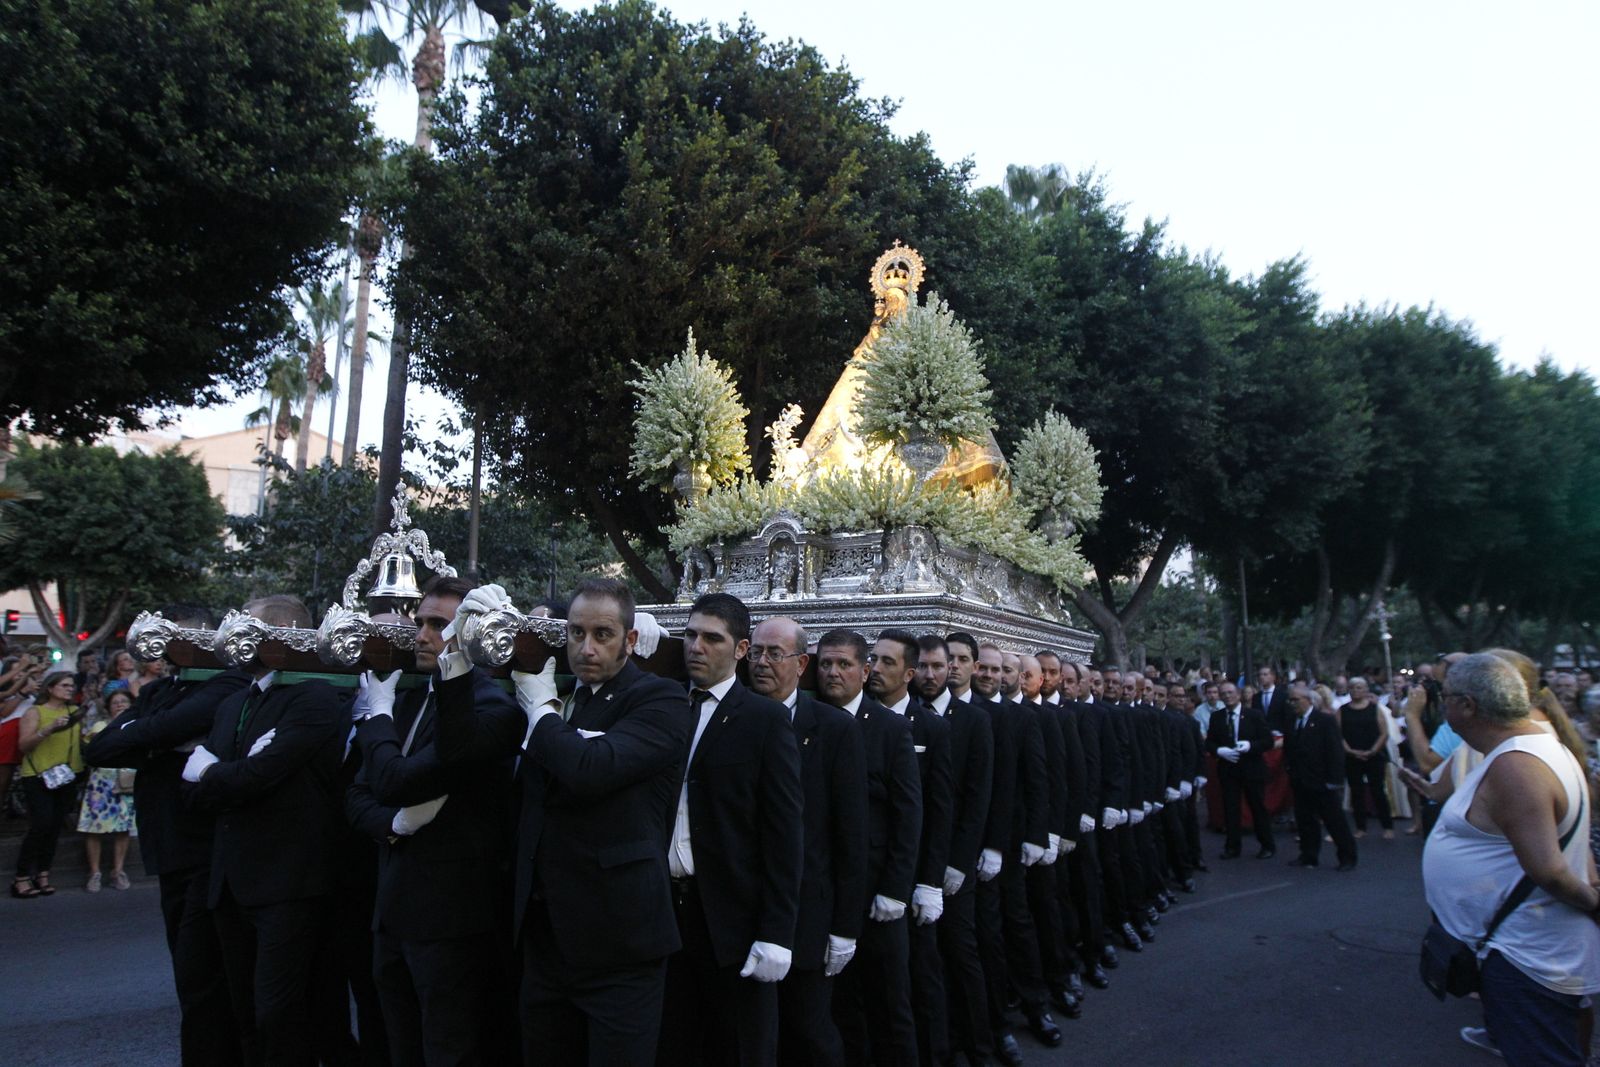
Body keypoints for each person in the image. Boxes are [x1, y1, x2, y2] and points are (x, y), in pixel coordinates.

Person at [440, 577, 692, 1066]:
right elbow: (458, 751)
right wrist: (457, 658)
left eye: (603, 635)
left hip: (620, 946)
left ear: (631, 640)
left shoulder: (658, 700)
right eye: (577, 633)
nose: (587, 648)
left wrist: (542, 711)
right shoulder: (552, 690)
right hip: (545, 938)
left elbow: (589, 770)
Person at [344, 575, 521, 1067]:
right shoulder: (408, 698)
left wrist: (376, 721)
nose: (421, 634)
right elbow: (359, 793)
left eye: (438, 624)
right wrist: (393, 825)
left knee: (449, 1050)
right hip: (392, 911)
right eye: (421, 621)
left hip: (452, 920)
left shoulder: (493, 708)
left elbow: (399, 781)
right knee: (400, 1047)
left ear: (470, 631)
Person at [183, 594, 352, 1066]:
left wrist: (214, 771)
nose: (235, 636)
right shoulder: (233, 700)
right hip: (230, 884)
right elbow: (193, 793)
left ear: (280, 634)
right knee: (244, 1013)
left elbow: (259, 777)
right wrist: (227, 774)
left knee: (279, 1013)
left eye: (248, 627)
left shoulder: (314, 696)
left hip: (287, 883)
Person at [83, 622, 252, 1067]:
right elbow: (101, 749)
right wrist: (160, 738)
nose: (166, 648)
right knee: (191, 978)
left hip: (206, 852)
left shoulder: (229, 682)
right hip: (170, 854)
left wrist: (153, 736)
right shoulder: (161, 691)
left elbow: (158, 731)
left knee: (206, 982)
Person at [1421, 653, 1600, 1067]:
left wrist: (1594, 903)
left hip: (1525, 954)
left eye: (1444, 696)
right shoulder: (1526, 749)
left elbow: (1551, 871)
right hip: (1519, 947)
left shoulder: (1517, 766)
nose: (1440, 705)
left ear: (1467, 705)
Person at [658, 593, 804, 1067]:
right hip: (663, 912)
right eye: (691, 634)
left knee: (740, 1047)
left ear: (741, 649)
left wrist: (776, 933)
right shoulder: (663, 704)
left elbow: (783, 833)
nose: (696, 646)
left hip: (733, 921)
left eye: (712, 638)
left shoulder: (764, 721)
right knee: (674, 1043)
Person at [748, 616, 867, 1067]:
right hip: (744, 909)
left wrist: (844, 928)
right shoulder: (733, 717)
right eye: (756, 652)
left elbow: (850, 835)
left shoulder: (834, 729)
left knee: (810, 1030)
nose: (762, 662)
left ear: (801, 664)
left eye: (774, 654)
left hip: (810, 915)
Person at [817, 627, 922, 1067]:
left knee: (889, 1005)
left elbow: (907, 814)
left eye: (844, 665)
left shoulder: (890, 729)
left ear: (864, 671)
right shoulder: (808, 720)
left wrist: (896, 889)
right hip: (826, 888)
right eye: (825, 664)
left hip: (878, 891)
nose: (834, 673)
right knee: (839, 1008)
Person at [928, 632, 997, 1065]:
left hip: (957, 857)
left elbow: (979, 796)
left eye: (958, 660)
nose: (950, 667)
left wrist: (961, 861)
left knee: (962, 950)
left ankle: (980, 1044)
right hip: (919, 858)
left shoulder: (975, 721)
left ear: (972, 665)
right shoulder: (912, 713)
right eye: (943, 659)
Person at [13, 671, 85, 897]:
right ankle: (21, 877)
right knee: (40, 824)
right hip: (38, 776)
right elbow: (24, 745)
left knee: (54, 827)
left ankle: (43, 873)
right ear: (50, 688)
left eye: (71, 686)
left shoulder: (74, 712)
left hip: (66, 776)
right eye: (64, 685)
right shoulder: (36, 712)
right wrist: (48, 729)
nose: (69, 689)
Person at [1283, 684, 1357, 870]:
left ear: (1309, 700)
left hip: (1322, 781)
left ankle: (1347, 857)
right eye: (1290, 700)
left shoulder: (1325, 720)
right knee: (1305, 821)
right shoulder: (1292, 720)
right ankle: (1308, 855)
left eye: (1296, 700)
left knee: (1334, 821)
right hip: (1300, 780)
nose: (1292, 704)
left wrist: (1335, 780)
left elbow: (1335, 751)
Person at [77, 687, 138, 891]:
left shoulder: (137, 725)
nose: (120, 704)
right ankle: (94, 872)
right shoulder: (101, 726)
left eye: (124, 701)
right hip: (102, 781)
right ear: (109, 708)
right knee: (94, 827)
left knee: (123, 826)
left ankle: (118, 870)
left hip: (126, 780)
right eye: (115, 702)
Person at [1205, 682, 1275, 859]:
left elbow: (1268, 741)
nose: (1227, 696)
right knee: (1230, 808)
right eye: (1223, 693)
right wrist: (1219, 751)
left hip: (1252, 767)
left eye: (1230, 692)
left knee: (1257, 807)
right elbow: (1210, 742)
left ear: (1238, 694)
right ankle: (1232, 847)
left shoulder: (1254, 715)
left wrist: (1251, 746)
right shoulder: (1217, 717)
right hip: (1228, 769)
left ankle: (1267, 845)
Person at [1340, 678, 1393, 839]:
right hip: (1351, 756)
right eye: (1352, 687)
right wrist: (1350, 750)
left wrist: (1372, 751)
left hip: (1374, 756)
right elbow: (1338, 733)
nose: (1356, 690)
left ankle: (1387, 826)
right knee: (1356, 793)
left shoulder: (1375, 708)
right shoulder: (1342, 710)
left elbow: (1384, 733)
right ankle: (1360, 827)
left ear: (1366, 689)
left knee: (1378, 791)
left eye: (1359, 687)